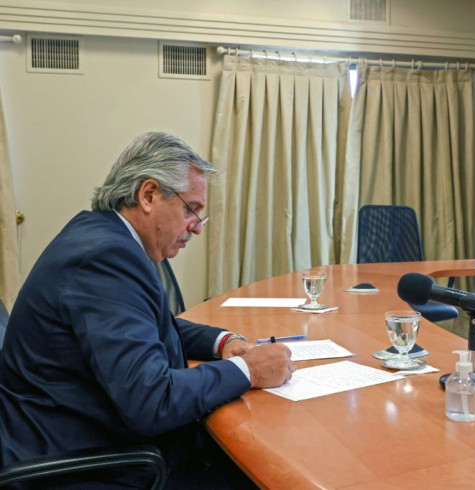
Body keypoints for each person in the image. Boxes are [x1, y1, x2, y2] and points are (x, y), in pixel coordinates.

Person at [0, 132, 295, 488]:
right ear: (149, 194)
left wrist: (222, 342)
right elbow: (152, 402)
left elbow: (153, 326)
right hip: (89, 461)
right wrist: (250, 370)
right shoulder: (106, 259)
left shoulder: (99, 234)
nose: (197, 228)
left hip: (68, 431)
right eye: (192, 210)